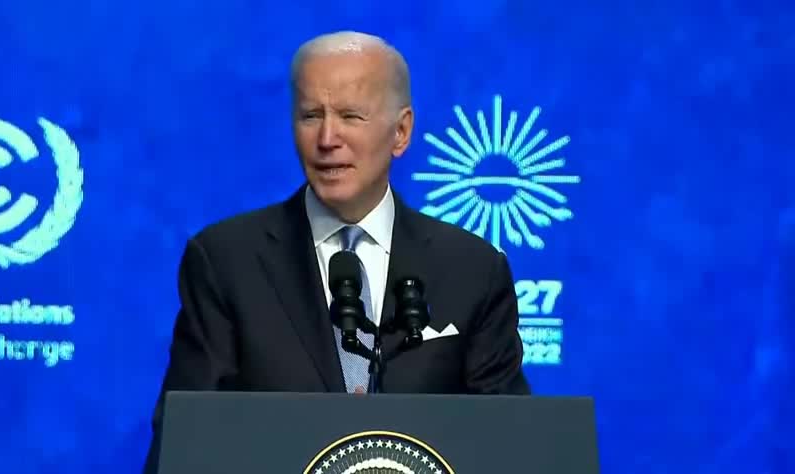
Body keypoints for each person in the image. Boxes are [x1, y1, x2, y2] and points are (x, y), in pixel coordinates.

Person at [142, 30, 529, 473]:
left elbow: (509, 444)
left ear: (401, 132)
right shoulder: (226, 262)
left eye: (350, 116)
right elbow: (184, 446)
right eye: (310, 115)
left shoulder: (472, 270)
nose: (327, 138)